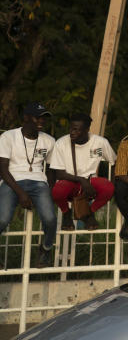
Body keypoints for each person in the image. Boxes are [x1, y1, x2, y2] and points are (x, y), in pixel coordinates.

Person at [0, 102, 57, 267]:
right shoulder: (8, 137)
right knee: (2, 219)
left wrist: (50, 190)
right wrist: (21, 194)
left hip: (38, 182)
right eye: (37, 117)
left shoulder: (49, 141)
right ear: (26, 118)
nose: (41, 121)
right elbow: (3, 169)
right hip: (12, 181)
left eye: (44, 118)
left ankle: (45, 249)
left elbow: (52, 169)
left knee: (50, 219)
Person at [49, 113, 116, 231]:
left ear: (87, 130)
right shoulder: (61, 143)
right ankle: (66, 213)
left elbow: (115, 162)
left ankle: (90, 213)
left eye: (76, 130)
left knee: (109, 188)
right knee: (57, 190)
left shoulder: (100, 142)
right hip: (70, 181)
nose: (72, 132)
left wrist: (115, 184)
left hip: (90, 183)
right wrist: (81, 180)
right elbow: (59, 174)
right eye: (71, 128)